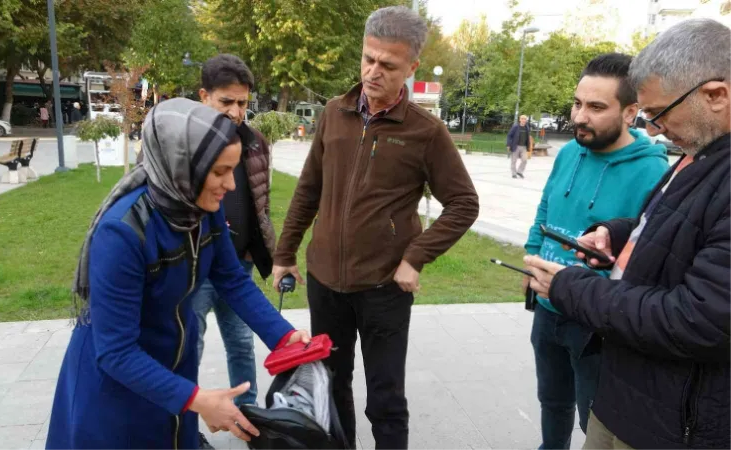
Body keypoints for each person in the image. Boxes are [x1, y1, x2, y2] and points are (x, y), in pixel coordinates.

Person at [46, 99, 311, 450]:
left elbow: (231, 279)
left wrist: (283, 337)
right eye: (219, 172)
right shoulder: (122, 232)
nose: (231, 185)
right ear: (184, 166)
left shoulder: (201, 209)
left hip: (174, 371)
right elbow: (115, 352)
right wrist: (198, 400)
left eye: (233, 170)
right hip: (115, 389)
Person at [271, 6, 480, 449]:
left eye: (388, 65)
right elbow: (308, 189)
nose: (373, 72)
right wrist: (285, 254)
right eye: (368, 58)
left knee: (385, 397)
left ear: (411, 67)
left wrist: (415, 256)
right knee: (332, 384)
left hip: (385, 287)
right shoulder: (333, 113)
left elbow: (464, 203)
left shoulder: (425, 131)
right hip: (325, 280)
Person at [524, 18, 731, 450]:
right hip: (632, 392)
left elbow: (699, 319)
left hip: (673, 420)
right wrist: (617, 236)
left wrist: (571, 288)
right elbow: (667, 228)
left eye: (659, 113)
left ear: (716, 95)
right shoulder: (700, 153)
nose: (653, 129)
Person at [523, 53, 670, 450]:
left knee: (596, 420)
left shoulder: (653, 171)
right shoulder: (570, 152)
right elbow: (545, 208)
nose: (580, 117)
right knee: (551, 402)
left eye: (596, 107)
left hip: (597, 324)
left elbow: (647, 256)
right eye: (577, 103)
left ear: (631, 112)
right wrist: (531, 254)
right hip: (546, 308)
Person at [187, 54, 276, 450]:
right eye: (227, 102)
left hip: (235, 266)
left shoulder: (255, 142)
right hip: (192, 269)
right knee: (188, 346)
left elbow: (260, 205)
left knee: (241, 343)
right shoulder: (181, 143)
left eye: (243, 103)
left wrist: (273, 257)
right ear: (204, 96)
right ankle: (185, 429)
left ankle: (248, 417)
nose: (237, 112)